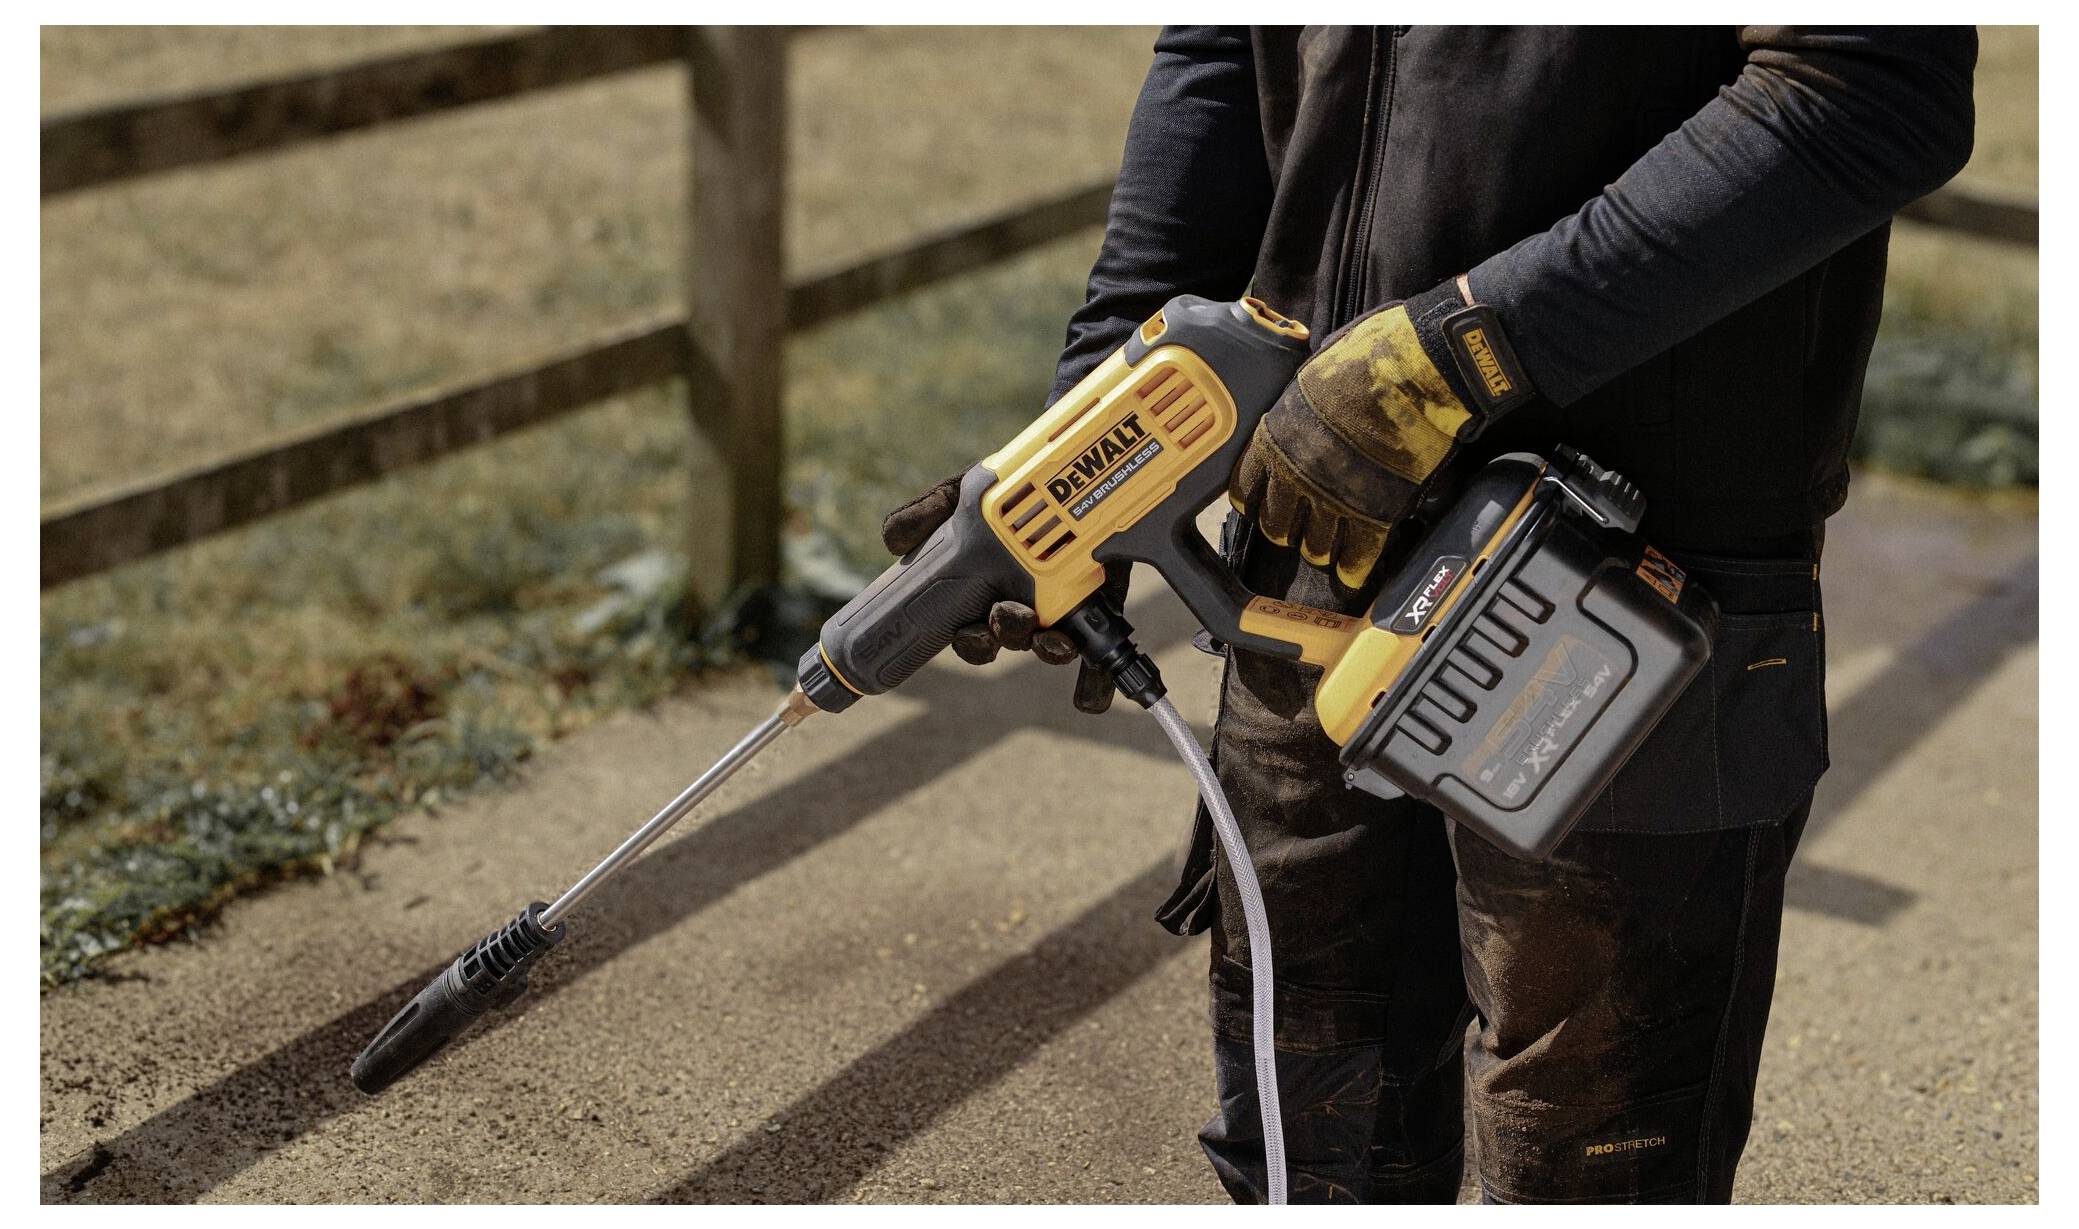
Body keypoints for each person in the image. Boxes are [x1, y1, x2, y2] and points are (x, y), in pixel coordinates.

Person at [880, 26, 1978, 1203]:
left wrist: (1463, 354)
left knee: (1588, 1163)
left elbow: (1867, 87)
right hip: (1310, 522)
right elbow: (1221, 47)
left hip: (1614, 570)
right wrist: (1100, 419)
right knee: (1309, 1141)